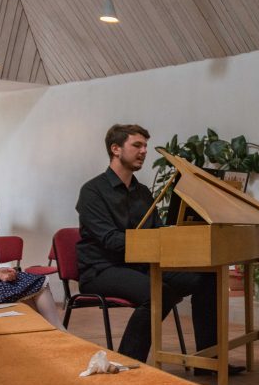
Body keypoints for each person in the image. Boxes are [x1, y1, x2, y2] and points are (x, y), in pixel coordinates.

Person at [76, 123, 236, 371]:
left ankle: (208, 361)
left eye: (145, 146)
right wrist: (151, 242)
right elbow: (109, 240)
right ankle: (128, 364)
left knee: (206, 278)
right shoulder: (92, 191)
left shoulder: (141, 192)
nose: (143, 151)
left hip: (139, 265)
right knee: (158, 293)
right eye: (137, 145)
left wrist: (176, 238)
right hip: (102, 269)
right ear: (115, 149)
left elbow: (157, 232)